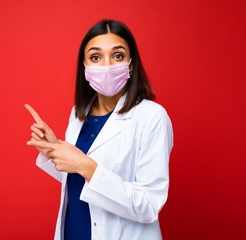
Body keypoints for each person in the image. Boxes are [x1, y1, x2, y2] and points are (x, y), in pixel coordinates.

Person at [25, 19, 173, 240]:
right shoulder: (78, 113)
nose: (107, 65)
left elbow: (149, 205)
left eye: (118, 55)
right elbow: (77, 181)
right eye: (96, 57)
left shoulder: (151, 116)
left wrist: (88, 166)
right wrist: (54, 150)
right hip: (74, 231)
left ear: (131, 64)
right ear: (85, 66)